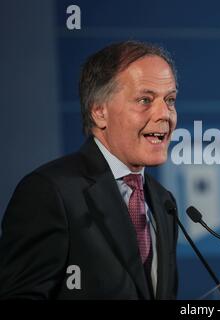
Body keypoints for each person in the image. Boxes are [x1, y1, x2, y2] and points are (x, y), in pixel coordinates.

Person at [0, 41, 179, 299]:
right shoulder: (51, 192)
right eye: (145, 100)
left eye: (170, 100)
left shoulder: (163, 202)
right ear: (99, 112)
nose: (165, 114)